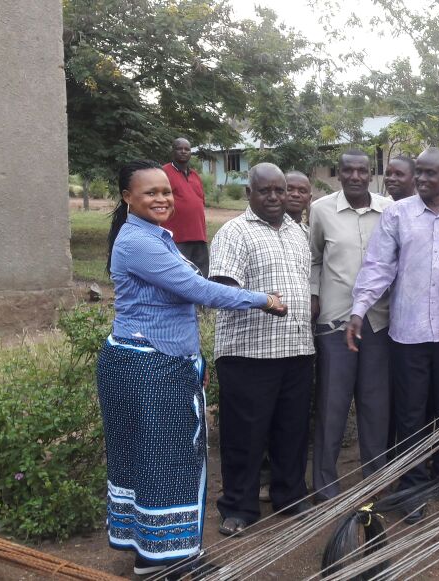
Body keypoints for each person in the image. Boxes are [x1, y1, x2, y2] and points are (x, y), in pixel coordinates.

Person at [96, 160, 286, 576]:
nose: (162, 199)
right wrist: (263, 299)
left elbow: (178, 305)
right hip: (147, 367)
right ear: (128, 197)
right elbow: (198, 290)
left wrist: (194, 361)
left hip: (159, 362)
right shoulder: (139, 242)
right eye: (151, 192)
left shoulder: (156, 236)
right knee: (164, 463)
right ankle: (163, 560)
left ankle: (161, 554)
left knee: (158, 462)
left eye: (166, 191)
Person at [349, 147, 439, 523]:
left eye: (431, 173)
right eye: (419, 172)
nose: (422, 179)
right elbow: (378, 266)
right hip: (408, 332)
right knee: (411, 413)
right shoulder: (398, 214)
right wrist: (359, 309)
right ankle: (412, 486)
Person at [211, 163, 315, 536]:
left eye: (279, 190)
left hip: (297, 349)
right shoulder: (234, 232)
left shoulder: (298, 232)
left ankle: (290, 495)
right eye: (265, 190)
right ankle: (238, 507)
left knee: (292, 430)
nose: (274, 197)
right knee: (245, 435)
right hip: (249, 354)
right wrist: (263, 302)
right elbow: (222, 288)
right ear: (249, 193)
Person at [307, 149, 394, 503]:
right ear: (339, 174)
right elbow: (314, 259)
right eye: (348, 171)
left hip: (379, 320)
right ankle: (325, 485)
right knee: (332, 404)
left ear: (371, 173)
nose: (355, 176)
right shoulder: (321, 210)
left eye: (362, 170)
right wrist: (314, 296)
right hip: (336, 321)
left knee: (376, 405)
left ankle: (375, 479)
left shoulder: (389, 209)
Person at [161, 138, 209, 276]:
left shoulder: (195, 175)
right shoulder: (163, 172)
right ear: (173, 151)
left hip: (199, 236)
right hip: (177, 238)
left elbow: (200, 202)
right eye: (179, 148)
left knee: (201, 275)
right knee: (179, 276)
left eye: (187, 149)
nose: (183, 151)